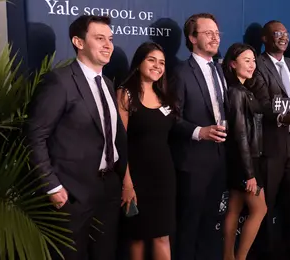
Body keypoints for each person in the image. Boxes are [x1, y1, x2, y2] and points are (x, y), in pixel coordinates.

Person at [24, 15, 128, 260]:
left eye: (110, 39)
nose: (108, 45)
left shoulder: (108, 84)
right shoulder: (59, 81)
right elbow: (35, 135)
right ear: (78, 42)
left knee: (105, 254)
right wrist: (52, 186)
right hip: (71, 193)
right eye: (99, 38)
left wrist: (123, 179)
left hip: (108, 188)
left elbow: (114, 137)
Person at [245, 20, 290, 260]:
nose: (283, 37)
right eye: (277, 33)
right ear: (264, 39)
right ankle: (265, 251)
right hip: (271, 144)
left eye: (286, 33)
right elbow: (260, 103)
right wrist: (283, 117)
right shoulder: (258, 65)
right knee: (267, 203)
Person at [168, 12, 228, 260]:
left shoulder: (219, 69)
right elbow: (171, 117)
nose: (215, 38)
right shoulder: (180, 72)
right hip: (193, 162)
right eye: (208, 33)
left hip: (219, 158)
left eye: (217, 33)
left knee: (212, 223)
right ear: (192, 38)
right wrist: (198, 131)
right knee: (189, 225)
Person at [117, 41, 178, 260]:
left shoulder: (165, 97)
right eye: (151, 60)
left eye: (161, 62)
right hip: (135, 178)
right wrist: (127, 182)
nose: (157, 66)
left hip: (164, 177)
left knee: (162, 236)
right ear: (139, 62)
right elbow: (119, 142)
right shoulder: (125, 94)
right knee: (138, 237)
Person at [221, 43, 267, 260]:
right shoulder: (237, 92)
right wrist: (250, 173)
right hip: (247, 161)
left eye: (253, 60)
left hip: (241, 160)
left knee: (234, 209)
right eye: (246, 60)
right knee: (260, 210)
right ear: (232, 63)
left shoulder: (242, 89)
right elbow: (240, 134)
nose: (252, 65)